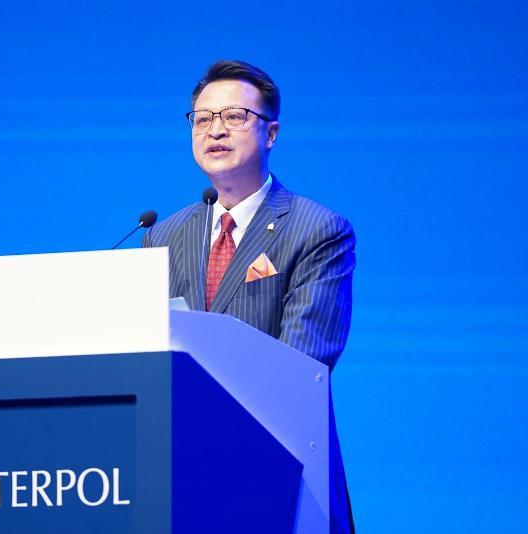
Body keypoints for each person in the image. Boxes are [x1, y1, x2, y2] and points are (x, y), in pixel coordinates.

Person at [141, 59, 356, 533]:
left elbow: (301, 364)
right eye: (202, 118)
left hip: (282, 475)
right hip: (181, 480)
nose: (215, 129)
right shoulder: (163, 237)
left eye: (234, 116)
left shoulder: (317, 230)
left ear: (271, 133)